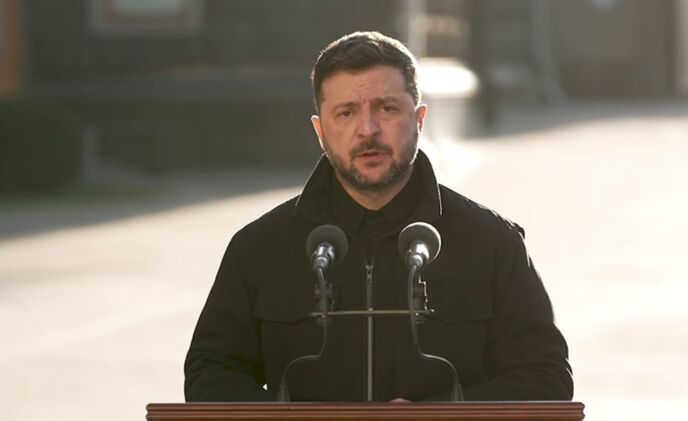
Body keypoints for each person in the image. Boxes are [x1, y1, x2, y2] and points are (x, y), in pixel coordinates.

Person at [184, 31, 573, 402]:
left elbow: (545, 377)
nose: (367, 130)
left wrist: (435, 417)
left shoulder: (492, 243)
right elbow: (210, 373)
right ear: (320, 131)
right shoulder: (259, 248)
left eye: (387, 109)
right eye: (346, 113)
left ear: (419, 119)